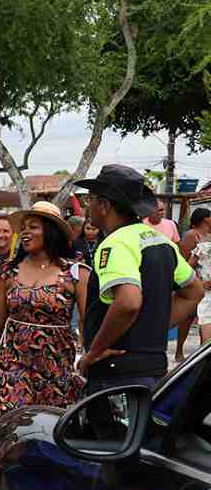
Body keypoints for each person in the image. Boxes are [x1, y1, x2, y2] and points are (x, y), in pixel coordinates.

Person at [76, 166, 201, 393]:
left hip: (116, 374)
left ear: (104, 205)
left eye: (90, 199)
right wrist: (153, 328)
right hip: (153, 367)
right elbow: (194, 291)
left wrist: (94, 351)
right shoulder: (161, 241)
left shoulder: (116, 243)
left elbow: (128, 302)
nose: (87, 206)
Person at [0, 201, 87, 412]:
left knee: (48, 423)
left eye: (33, 227)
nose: (25, 232)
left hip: (56, 364)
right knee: (13, 421)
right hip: (13, 361)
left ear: (51, 232)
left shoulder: (75, 273)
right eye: (23, 228)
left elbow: (86, 317)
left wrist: (86, 353)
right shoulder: (9, 271)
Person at [175, 208, 211, 360]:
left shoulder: (209, 235)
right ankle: (179, 351)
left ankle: (202, 355)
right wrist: (197, 282)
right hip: (193, 282)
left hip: (206, 285)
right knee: (187, 317)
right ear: (205, 219)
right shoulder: (192, 235)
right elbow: (183, 262)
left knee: (204, 319)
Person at [185, 209, 211, 345]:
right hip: (206, 291)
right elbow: (187, 267)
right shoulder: (194, 237)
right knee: (206, 322)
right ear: (206, 219)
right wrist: (199, 283)